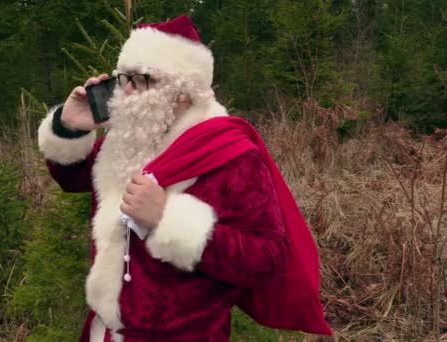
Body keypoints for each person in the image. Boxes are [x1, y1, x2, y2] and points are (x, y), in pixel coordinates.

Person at [38, 15, 331, 342]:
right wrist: (69, 126)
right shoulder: (127, 139)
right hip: (105, 332)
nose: (125, 90)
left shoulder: (231, 154)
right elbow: (73, 177)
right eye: (124, 78)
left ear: (181, 91)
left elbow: (268, 258)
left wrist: (167, 219)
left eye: (140, 79)